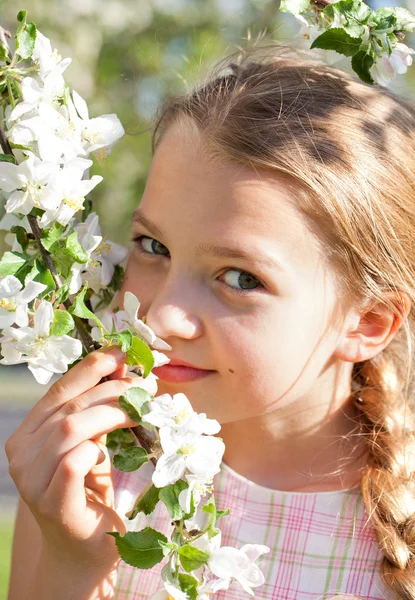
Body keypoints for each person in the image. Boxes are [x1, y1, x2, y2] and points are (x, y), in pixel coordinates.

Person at [5, 41, 415, 600]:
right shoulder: (95, 472)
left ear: (367, 322)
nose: (164, 316)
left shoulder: (398, 524)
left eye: (242, 278)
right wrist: (73, 562)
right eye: (153, 245)